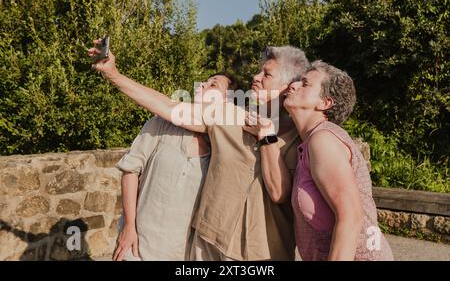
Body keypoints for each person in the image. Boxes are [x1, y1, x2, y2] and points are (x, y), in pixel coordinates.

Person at [88, 41, 310, 260]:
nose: (256, 77)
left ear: (288, 86)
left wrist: (267, 135)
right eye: (259, 71)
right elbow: (168, 106)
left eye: (267, 74)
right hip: (208, 244)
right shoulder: (227, 114)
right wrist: (113, 74)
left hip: (262, 254)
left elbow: (279, 193)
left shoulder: (300, 137)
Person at [112, 73, 236, 261]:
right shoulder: (161, 123)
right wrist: (129, 226)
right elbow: (131, 170)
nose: (202, 84)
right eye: (205, 81)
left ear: (227, 101)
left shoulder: (223, 144)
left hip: (182, 252)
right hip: (137, 247)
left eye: (213, 85)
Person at [281, 60, 394, 260]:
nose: (293, 85)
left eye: (305, 83)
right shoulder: (310, 141)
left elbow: (351, 216)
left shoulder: (323, 140)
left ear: (325, 103)